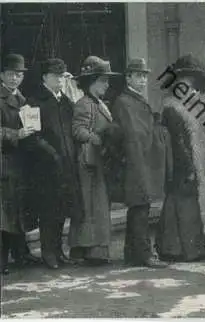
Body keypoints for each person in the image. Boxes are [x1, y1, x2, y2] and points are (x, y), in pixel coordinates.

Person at [110, 58, 168, 268]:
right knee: (140, 207)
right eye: (138, 76)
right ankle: (143, 254)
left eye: (145, 76)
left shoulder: (136, 100)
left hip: (142, 160)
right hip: (136, 162)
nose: (143, 80)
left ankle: (132, 254)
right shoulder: (124, 102)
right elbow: (133, 135)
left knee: (139, 207)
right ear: (128, 78)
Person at [155, 54, 205, 263]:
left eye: (190, 85)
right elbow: (177, 140)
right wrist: (187, 165)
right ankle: (178, 248)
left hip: (196, 160)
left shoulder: (195, 108)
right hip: (181, 162)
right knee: (181, 203)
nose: (187, 89)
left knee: (190, 202)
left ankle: (188, 246)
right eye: (183, 85)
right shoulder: (171, 107)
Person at [26, 58, 83, 269]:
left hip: (66, 166)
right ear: (44, 78)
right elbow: (33, 137)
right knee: (47, 211)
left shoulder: (66, 102)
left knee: (60, 210)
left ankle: (58, 251)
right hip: (45, 167)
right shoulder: (33, 102)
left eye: (62, 76)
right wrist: (52, 155)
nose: (59, 80)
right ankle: (48, 252)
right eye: (55, 76)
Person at [69, 56, 121, 265]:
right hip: (88, 162)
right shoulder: (84, 104)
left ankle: (95, 250)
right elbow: (77, 130)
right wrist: (95, 138)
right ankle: (90, 251)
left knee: (97, 205)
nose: (107, 85)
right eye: (103, 81)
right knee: (91, 205)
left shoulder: (98, 103)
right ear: (92, 82)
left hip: (98, 161)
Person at [0, 54, 45, 274]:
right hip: (4, 163)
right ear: (2, 75)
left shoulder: (22, 98)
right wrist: (15, 133)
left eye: (19, 74)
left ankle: (21, 253)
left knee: (18, 211)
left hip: (20, 163)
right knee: (5, 214)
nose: (15, 78)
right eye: (10, 74)